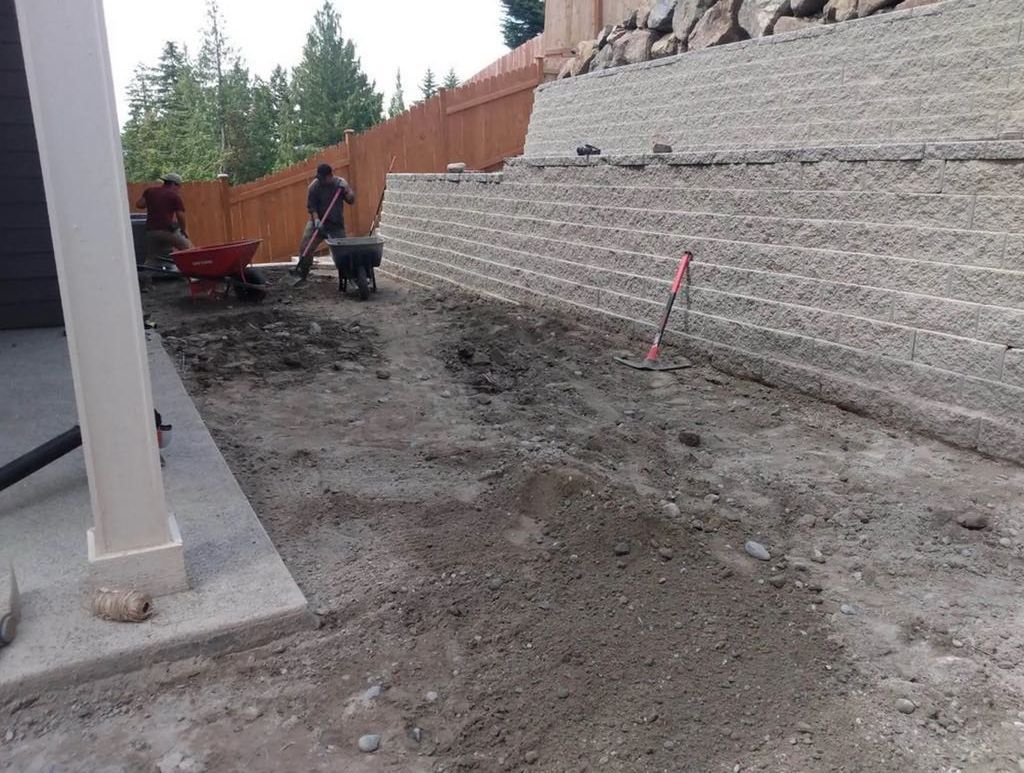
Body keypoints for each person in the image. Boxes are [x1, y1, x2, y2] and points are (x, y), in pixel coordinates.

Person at [289, 163, 355, 283]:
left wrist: (347, 189)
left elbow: (351, 200)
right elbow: (312, 207)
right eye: (319, 178)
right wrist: (317, 220)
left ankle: (349, 278)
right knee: (305, 247)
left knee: (342, 252)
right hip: (317, 223)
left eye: (323, 178)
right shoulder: (314, 187)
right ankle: (301, 274)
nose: (320, 180)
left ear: (330, 176)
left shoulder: (339, 184)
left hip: (335, 224)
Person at [136, 173, 192, 266]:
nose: (179, 189)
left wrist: (153, 202)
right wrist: (183, 230)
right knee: (189, 250)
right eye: (179, 186)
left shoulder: (150, 191)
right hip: (167, 230)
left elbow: (139, 204)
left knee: (152, 258)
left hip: (151, 231)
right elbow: (180, 215)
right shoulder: (174, 196)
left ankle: (146, 277)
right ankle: (196, 275)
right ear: (174, 184)